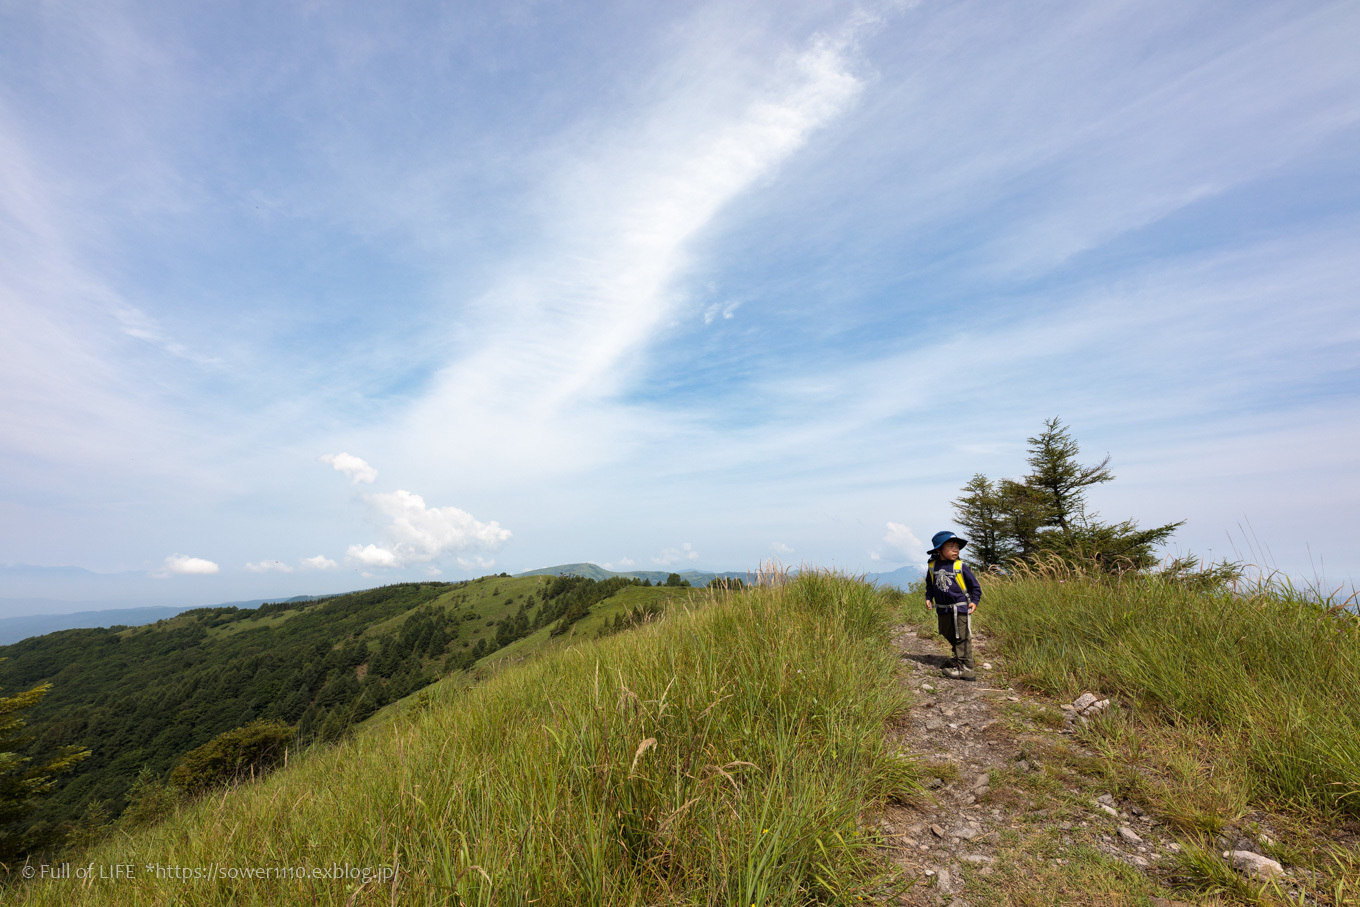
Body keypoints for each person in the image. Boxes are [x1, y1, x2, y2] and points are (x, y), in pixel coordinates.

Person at [923, 530, 982, 680]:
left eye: (957, 547)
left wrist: (974, 601)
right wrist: (928, 597)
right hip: (943, 609)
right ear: (939, 549)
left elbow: (975, 587)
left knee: (962, 636)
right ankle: (958, 659)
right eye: (951, 546)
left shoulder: (960, 566)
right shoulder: (932, 566)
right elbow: (930, 584)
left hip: (960, 607)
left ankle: (967, 668)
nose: (955, 549)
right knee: (947, 632)